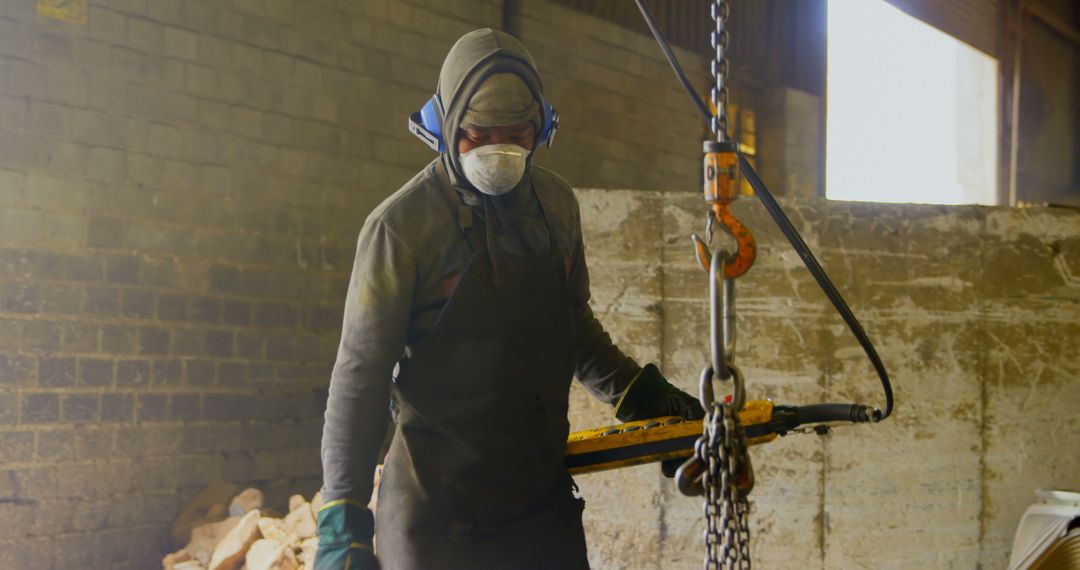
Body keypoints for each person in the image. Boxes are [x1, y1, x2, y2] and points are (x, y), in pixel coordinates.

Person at [315, 29, 703, 570]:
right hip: (436, 517)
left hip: (539, 508)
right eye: (478, 134)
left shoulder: (557, 207)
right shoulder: (401, 228)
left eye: (516, 134)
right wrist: (343, 523)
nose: (498, 150)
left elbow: (574, 329)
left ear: (541, 126)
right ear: (446, 126)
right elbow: (360, 376)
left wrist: (644, 400)